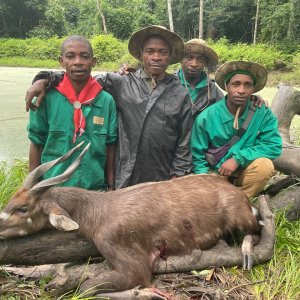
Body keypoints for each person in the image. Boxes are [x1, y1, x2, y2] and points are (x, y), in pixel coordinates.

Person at [25, 26, 193, 189]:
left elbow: (184, 142)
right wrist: (45, 79)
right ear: (141, 55)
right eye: (150, 51)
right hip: (125, 176)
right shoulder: (121, 81)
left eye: (163, 52)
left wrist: (177, 177)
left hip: (161, 177)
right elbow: (81, 79)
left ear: (170, 56)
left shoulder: (180, 93)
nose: (156, 57)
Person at [27, 35, 118, 191]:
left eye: (84, 56)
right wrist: (31, 189)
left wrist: (111, 184)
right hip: (54, 191)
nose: (78, 62)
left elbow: (110, 146)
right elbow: (36, 142)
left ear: (93, 61)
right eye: (70, 56)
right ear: (61, 61)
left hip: (94, 192)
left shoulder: (106, 100)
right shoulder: (45, 98)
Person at [190, 60, 282, 199]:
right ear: (227, 86)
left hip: (244, 170)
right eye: (236, 84)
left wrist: (238, 159)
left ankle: (241, 201)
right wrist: (207, 179)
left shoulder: (262, 113)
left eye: (248, 85)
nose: (241, 90)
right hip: (215, 173)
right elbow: (196, 157)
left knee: (265, 165)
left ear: (253, 89)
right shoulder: (207, 117)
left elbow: (273, 145)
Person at [176, 38, 224, 118]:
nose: (194, 64)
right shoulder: (169, 84)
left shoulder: (212, 89)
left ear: (206, 63)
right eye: (189, 58)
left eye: (200, 59)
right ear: (181, 60)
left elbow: (225, 111)